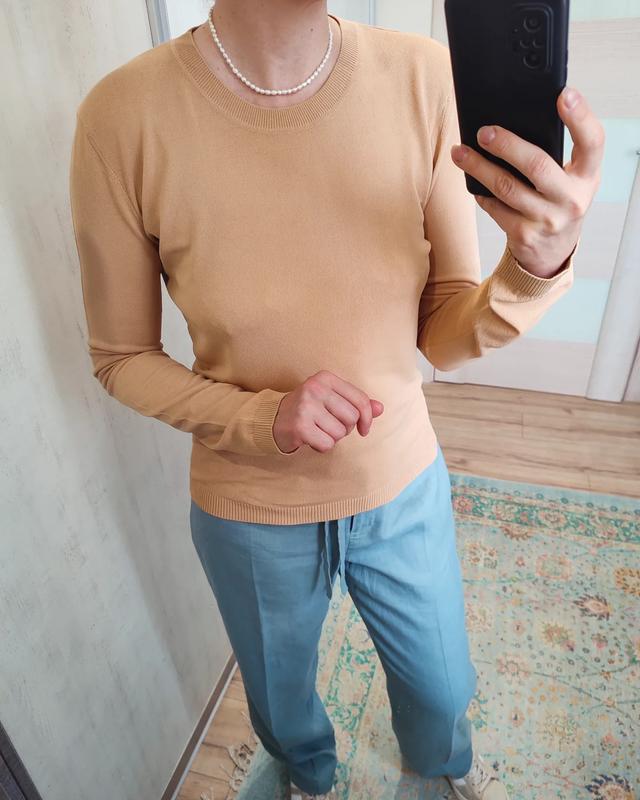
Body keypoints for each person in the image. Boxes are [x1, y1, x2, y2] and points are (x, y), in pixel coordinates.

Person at [69, 0, 602, 797]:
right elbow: (122, 358)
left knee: (443, 688)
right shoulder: (121, 116)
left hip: (401, 480)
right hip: (247, 506)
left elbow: (443, 330)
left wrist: (537, 269)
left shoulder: (421, 74)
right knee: (282, 708)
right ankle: (308, 778)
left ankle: (441, 768)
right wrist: (262, 417)